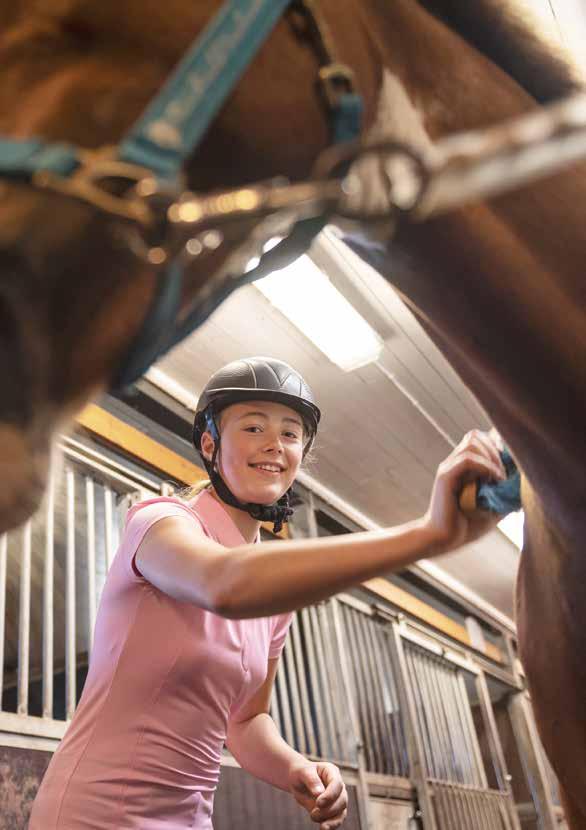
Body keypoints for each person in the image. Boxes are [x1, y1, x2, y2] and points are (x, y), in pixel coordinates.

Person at [29, 356, 506, 830]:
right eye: (253, 427)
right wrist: (427, 536)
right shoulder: (161, 522)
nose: (275, 444)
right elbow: (224, 582)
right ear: (211, 443)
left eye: (291, 433)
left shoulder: (272, 594)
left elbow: (246, 721)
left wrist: (295, 767)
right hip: (92, 812)